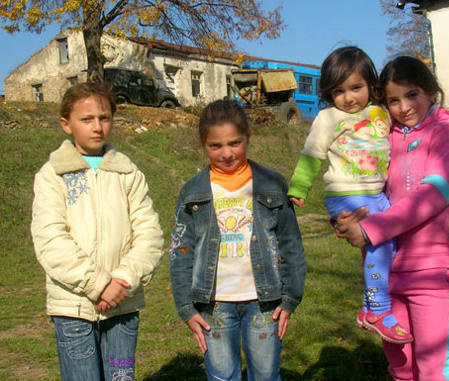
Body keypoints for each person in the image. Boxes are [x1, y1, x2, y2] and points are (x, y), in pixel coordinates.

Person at [336, 56, 449, 380]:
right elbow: (367, 189)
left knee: (432, 369)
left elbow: (430, 197)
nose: (403, 107)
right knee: (401, 368)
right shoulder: (387, 137)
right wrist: (347, 216)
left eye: (412, 94)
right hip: (386, 272)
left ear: (430, 90)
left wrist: (371, 229)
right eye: (393, 100)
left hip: (431, 271)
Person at [31, 82, 164, 380]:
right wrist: (98, 284)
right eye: (86, 119)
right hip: (74, 307)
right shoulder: (53, 175)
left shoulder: (128, 173)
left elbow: (149, 234)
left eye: (104, 118)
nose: (97, 127)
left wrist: (122, 280)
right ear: (66, 125)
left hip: (122, 306)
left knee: (120, 377)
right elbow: (51, 240)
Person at [169, 99, 306, 381]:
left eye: (235, 143)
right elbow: (181, 251)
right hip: (213, 304)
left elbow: (290, 243)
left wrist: (291, 297)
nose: (226, 153)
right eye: (215, 146)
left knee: (266, 375)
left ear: (248, 137)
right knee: (221, 376)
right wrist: (185, 307)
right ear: (203, 144)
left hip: (265, 302)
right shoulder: (192, 192)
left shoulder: (272, 183)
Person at [288, 46, 412, 343]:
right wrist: (298, 187)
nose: (349, 98)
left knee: (388, 250)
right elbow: (312, 155)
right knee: (379, 245)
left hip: (376, 195)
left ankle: (368, 307)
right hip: (347, 195)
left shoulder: (381, 113)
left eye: (356, 87)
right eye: (339, 91)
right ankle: (379, 310)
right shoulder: (329, 118)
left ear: (371, 84)